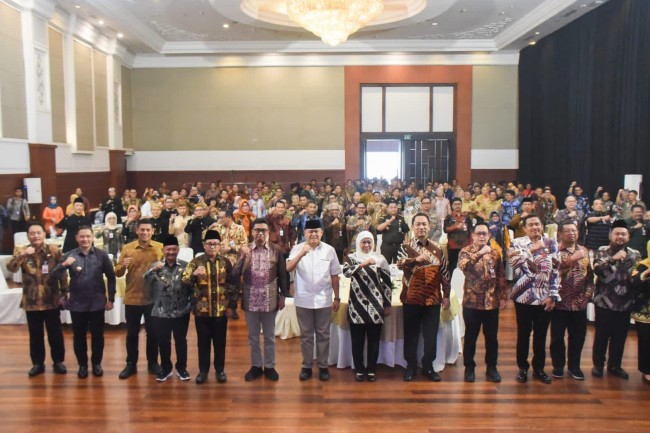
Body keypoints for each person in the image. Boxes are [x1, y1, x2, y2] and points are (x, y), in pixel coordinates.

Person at [54, 226, 115, 379]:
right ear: (76, 238)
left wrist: (111, 299)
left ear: (93, 237)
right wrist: (65, 265)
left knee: (98, 336)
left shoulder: (101, 255)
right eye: (82, 236)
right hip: (77, 303)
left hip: (97, 303)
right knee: (79, 336)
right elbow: (54, 274)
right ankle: (82, 365)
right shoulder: (69, 255)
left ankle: (96, 363)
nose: (85, 239)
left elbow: (111, 277)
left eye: (88, 236)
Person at [7, 222, 67, 377]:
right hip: (32, 301)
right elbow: (11, 268)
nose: (35, 236)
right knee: (35, 335)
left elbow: (62, 273)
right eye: (32, 233)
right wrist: (22, 255)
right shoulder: (22, 251)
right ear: (28, 236)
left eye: (38, 233)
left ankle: (58, 361)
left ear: (44, 234)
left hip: (51, 299)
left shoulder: (54, 251)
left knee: (55, 334)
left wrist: (64, 293)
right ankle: (38, 363)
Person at [233, 218, 290, 382]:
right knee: (253, 336)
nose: (260, 233)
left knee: (270, 336)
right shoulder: (245, 250)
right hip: (250, 298)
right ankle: (256, 366)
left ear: (268, 232)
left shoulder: (276, 250)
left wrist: (284, 295)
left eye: (264, 230)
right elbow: (235, 274)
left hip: (270, 298)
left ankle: (270, 366)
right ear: (251, 232)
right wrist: (243, 257)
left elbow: (283, 274)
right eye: (257, 230)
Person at [397, 212, 451, 382]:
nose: (421, 227)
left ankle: (428, 366)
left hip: (433, 299)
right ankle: (410, 367)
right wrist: (416, 259)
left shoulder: (438, 247)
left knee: (430, 335)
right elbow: (399, 264)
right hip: (411, 298)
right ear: (412, 227)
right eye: (417, 224)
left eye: (424, 224)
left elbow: (445, 273)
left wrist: (447, 295)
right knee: (411, 334)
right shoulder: (405, 247)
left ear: (429, 227)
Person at [287, 219, 342, 381]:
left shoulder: (330, 250)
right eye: (310, 231)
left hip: (324, 299)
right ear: (304, 234)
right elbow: (288, 268)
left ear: (322, 233)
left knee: (324, 334)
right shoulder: (297, 248)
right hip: (303, 299)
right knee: (306, 335)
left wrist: (337, 297)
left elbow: (334, 276)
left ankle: (323, 366)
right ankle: (306, 366)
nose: (313, 234)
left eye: (317, 231)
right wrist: (301, 253)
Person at [507, 214, 560, 384]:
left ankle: (539, 368)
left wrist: (552, 295)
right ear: (524, 228)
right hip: (523, 297)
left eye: (537, 224)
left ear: (542, 226)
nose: (534, 227)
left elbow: (556, 271)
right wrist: (533, 249)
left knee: (541, 335)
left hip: (545, 298)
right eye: (530, 225)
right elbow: (515, 263)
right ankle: (523, 368)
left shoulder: (551, 243)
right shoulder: (517, 243)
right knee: (523, 334)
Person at [182, 230, 239, 384]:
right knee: (203, 343)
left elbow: (232, 285)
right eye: (209, 244)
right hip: (202, 310)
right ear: (204, 245)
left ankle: (220, 370)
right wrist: (193, 275)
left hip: (221, 310)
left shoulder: (226, 262)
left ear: (219, 245)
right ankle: (203, 371)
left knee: (220, 343)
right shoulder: (196, 262)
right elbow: (184, 281)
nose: (212, 246)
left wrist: (232, 306)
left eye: (215, 244)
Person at [458, 222, 508, 383]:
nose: (481, 236)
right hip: (472, 303)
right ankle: (469, 368)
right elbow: (463, 267)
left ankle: (491, 368)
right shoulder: (465, 251)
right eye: (478, 234)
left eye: (484, 234)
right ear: (472, 236)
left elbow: (501, 275)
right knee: (471, 337)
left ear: (489, 236)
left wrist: (503, 296)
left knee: (492, 338)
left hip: (491, 302)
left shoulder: (495, 252)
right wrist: (479, 254)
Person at [115, 218, 164, 379]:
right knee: (132, 334)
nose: (144, 232)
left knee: (154, 333)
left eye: (147, 230)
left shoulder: (159, 248)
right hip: (132, 298)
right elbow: (118, 272)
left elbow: (167, 271)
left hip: (152, 298)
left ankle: (153, 363)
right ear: (137, 231)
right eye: (142, 230)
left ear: (152, 231)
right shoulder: (128, 248)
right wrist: (123, 265)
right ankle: (131, 364)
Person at [592, 219, 641, 379]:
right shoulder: (602, 251)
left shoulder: (635, 254)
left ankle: (615, 365)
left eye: (623, 234)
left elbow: (637, 277)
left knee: (620, 337)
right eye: (617, 234)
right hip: (604, 302)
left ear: (628, 236)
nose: (620, 237)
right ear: (610, 235)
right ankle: (598, 365)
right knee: (601, 336)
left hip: (625, 302)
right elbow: (597, 269)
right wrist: (614, 258)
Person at [343, 231, 392, 382]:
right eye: (363, 242)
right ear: (358, 244)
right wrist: (363, 264)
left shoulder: (380, 259)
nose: (366, 245)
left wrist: (388, 304)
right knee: (357, 342)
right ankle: (359, 369)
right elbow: (345, 272)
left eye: (369, 242)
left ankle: (371, 369)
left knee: (374, 341)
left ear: (373, 244)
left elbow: (387, 284)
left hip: (376, 307)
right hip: (356, 306)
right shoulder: (351, 258)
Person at [144, 236, 192, 382]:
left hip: (181, 311)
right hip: (160, 312)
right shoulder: (155, 266)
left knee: (181, 341)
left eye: (174, 249)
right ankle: (166, 369)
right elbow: (145, 283)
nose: (171, 252)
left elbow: (192, 286)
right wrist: (152, 270)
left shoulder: (186, 266)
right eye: (168, 249)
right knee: (163, 341)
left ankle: (182, 368)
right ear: (163, 250)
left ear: (178, 250)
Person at [550, 222, 593, 381]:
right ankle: (558, 366)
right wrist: (571, 261)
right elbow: (552, 274)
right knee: (557, 337)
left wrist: (587, 297)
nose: (571, 233)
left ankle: (574, 366)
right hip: (559, 303)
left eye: (574, 230)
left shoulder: (584, 251)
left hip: (579, 303)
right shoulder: (554, 251)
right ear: (560, 233)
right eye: (567, 231)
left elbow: (590, 277)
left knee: (578, 337)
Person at [631, 257, 650, 385]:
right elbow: (633, 282)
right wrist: (647, 273)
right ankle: (647, 370)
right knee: (646, 341)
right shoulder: (641, 265)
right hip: (645, 312)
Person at [444, 197, 473, 271]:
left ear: (462, 205)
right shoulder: (448, 217)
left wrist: (471, 244)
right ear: (452, 206)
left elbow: (471, 231)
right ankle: (451, 282)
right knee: (452, 267)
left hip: (465, 246)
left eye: (459, 204)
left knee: (466, 266)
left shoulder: (467, 217)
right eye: (455, 204)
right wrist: (455, 227)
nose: (457, 206)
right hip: (453, 246)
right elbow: (445, 229)